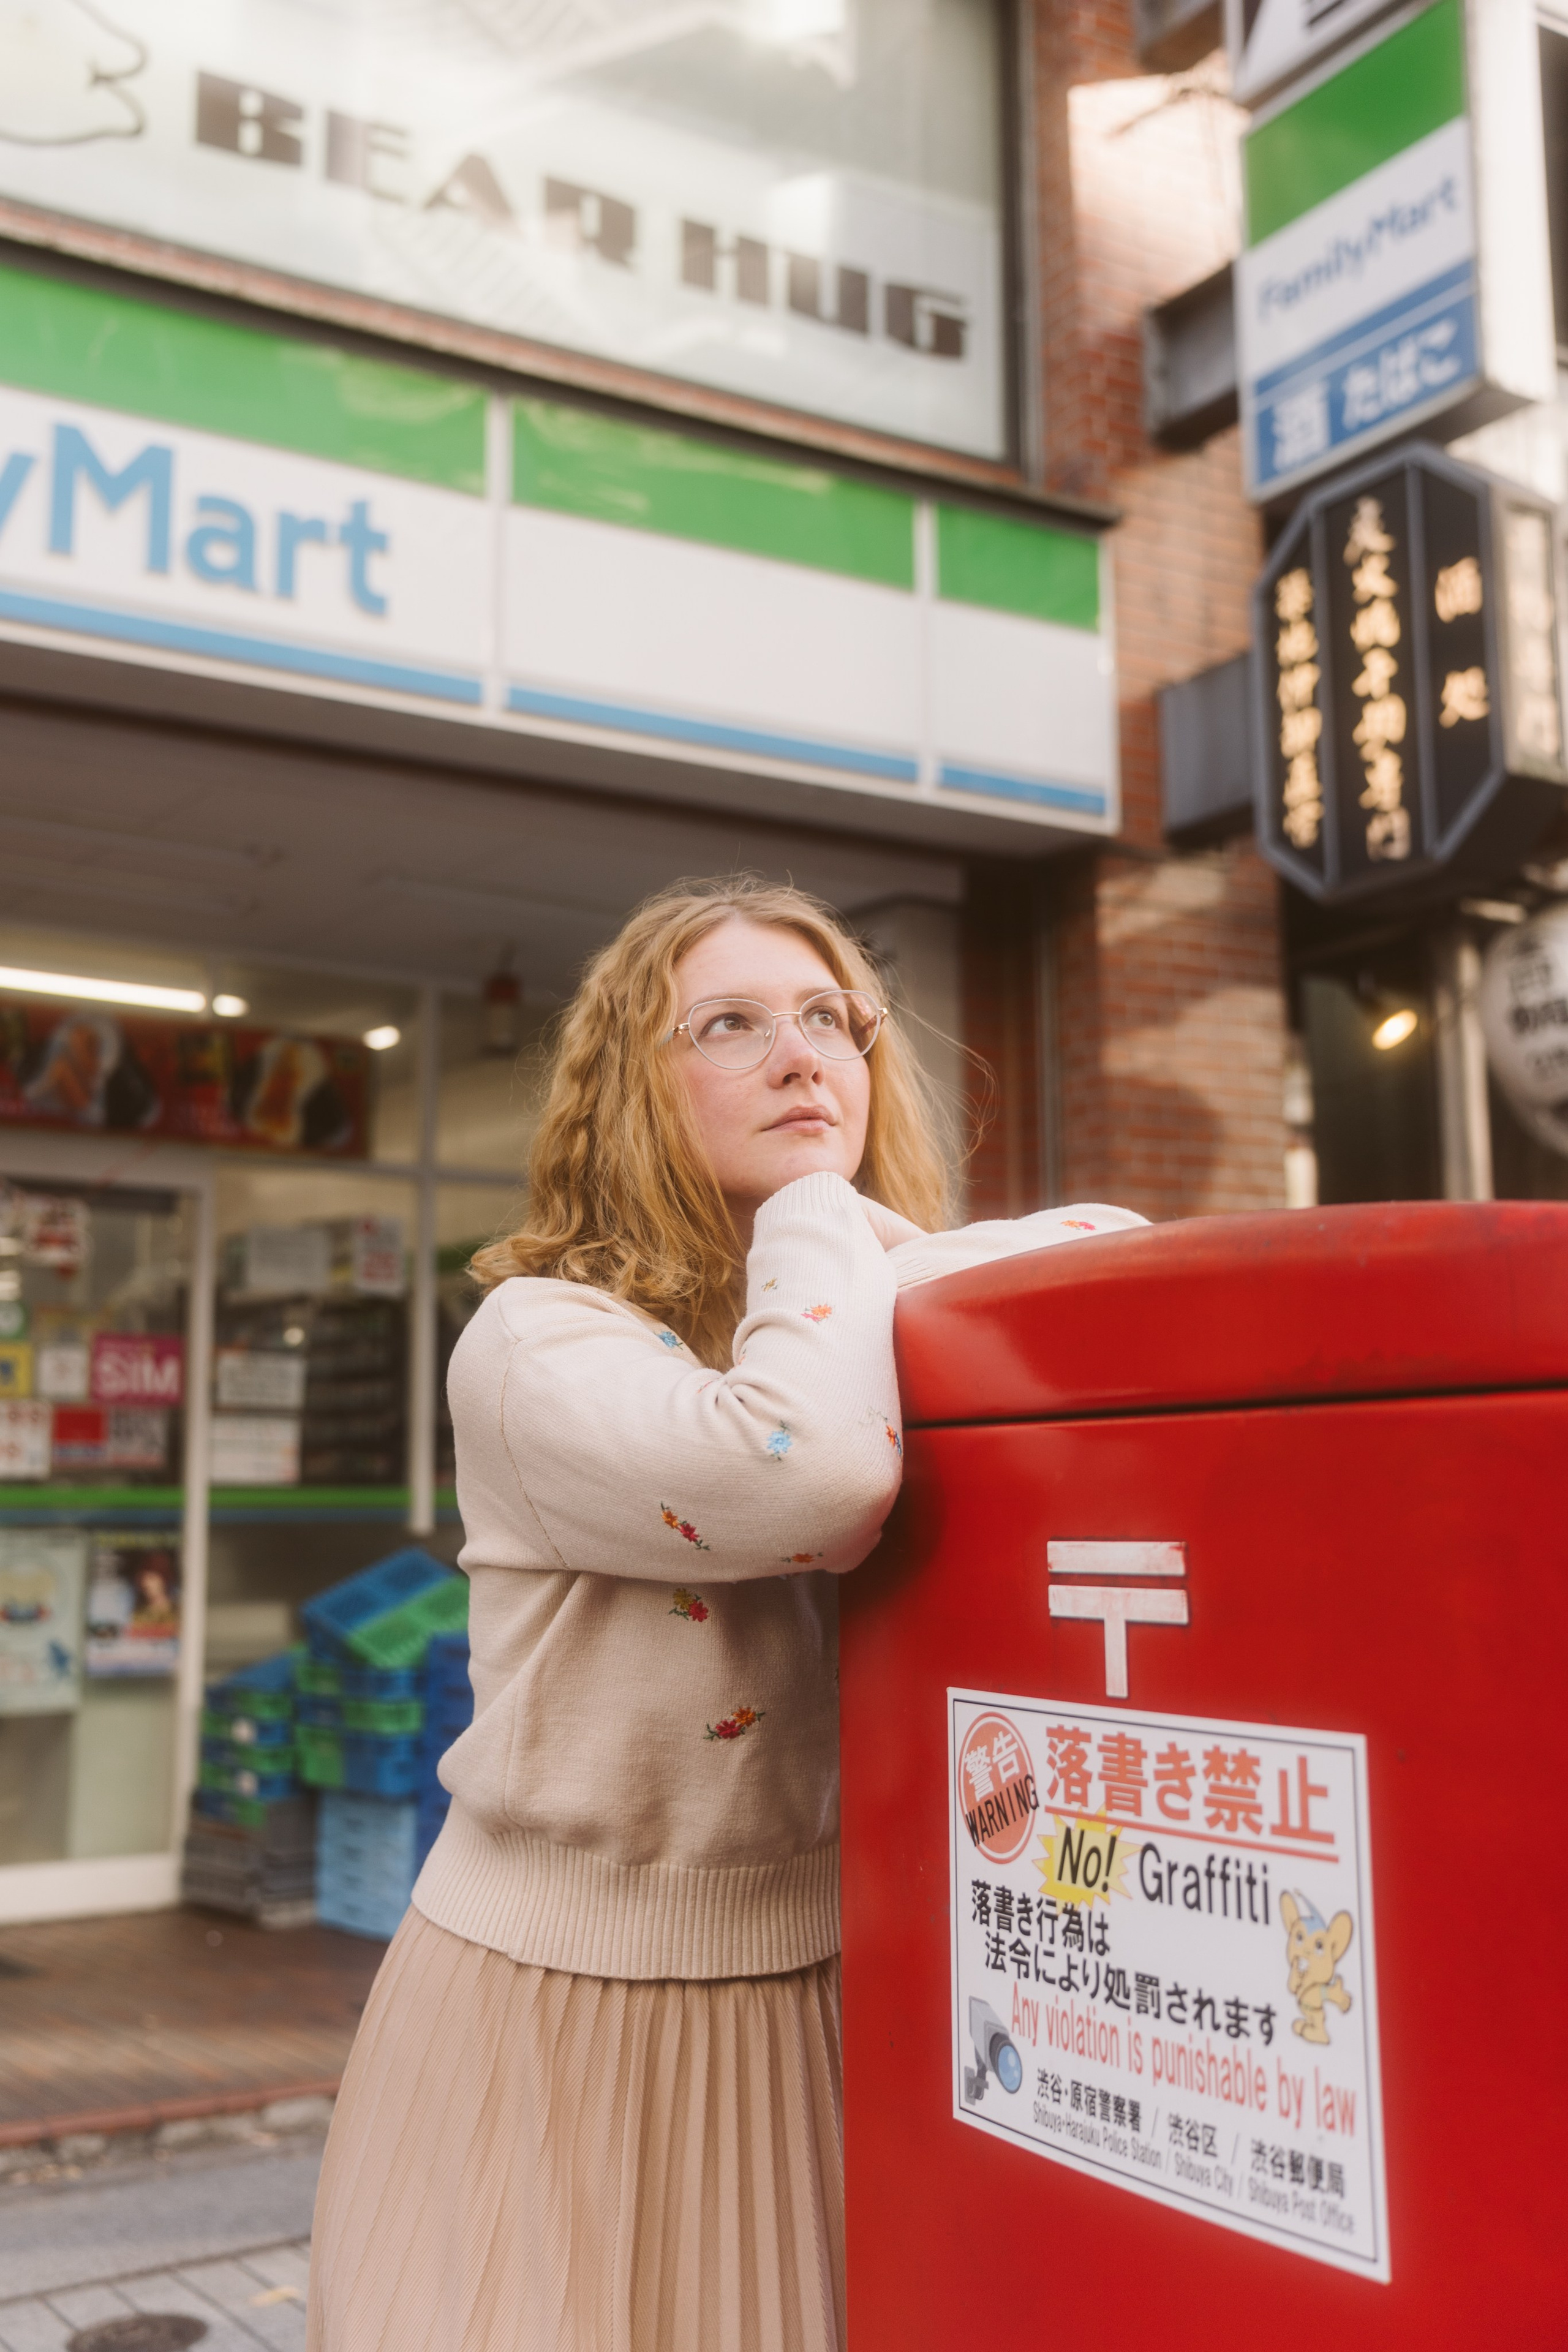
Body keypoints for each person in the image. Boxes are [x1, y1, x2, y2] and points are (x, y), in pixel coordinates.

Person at [307, 877, 1142, 2352]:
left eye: (832, 1019)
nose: (802, 1055)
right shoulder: (539, 1340)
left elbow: (1107, 1251)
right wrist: (834, 1216)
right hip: (551, 2004)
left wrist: (864, 1248)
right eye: (733, 1026)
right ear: (636, 1083)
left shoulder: (832, 1321)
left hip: (813, 1997)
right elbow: (805, 1476)